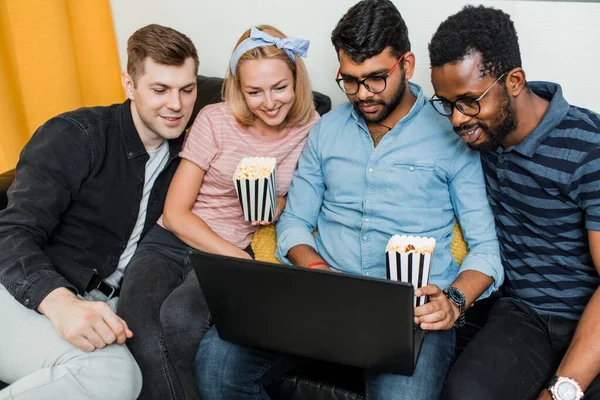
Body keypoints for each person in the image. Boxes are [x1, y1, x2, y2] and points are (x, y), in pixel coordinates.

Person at [194, 1, 503, 399]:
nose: (362, 95)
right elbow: (294, 223)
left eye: (375, 79)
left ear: (406, 64)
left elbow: (486, 248)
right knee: (215, 363)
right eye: (350, 81)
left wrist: (455, 301)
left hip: (410, 314)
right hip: (319, 300)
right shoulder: (327, 131)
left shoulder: (451, 135)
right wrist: (318, 269)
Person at [116, 24, 319, 400]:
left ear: (297, 81)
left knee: (180, 319)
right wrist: (237, 258)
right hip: (172, 240)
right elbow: (176, 214)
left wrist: (281, 204)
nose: (269, 102)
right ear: (238, 89)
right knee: (138, 326)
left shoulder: (313, 129)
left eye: (280, 87)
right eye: (254, 91)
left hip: (232, 247)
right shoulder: (215, 119)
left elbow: (315, 195)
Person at [0, 24, 198, 400]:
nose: (176, 104)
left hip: (106, 303)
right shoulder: (76, 135)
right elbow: (11, 233)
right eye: (160, 89)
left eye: (186, 90)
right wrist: (60, 303)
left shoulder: (191, 156)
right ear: (129, 84)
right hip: (21, 292)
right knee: (113, 374)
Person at [428, 5, 600, 400]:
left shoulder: (589, 146)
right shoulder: (479, 141)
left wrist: (562, 391)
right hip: (523, 315)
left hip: (590, 318)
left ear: (515, 81)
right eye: (448, 103)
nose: (456, 120)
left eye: (470, 101)